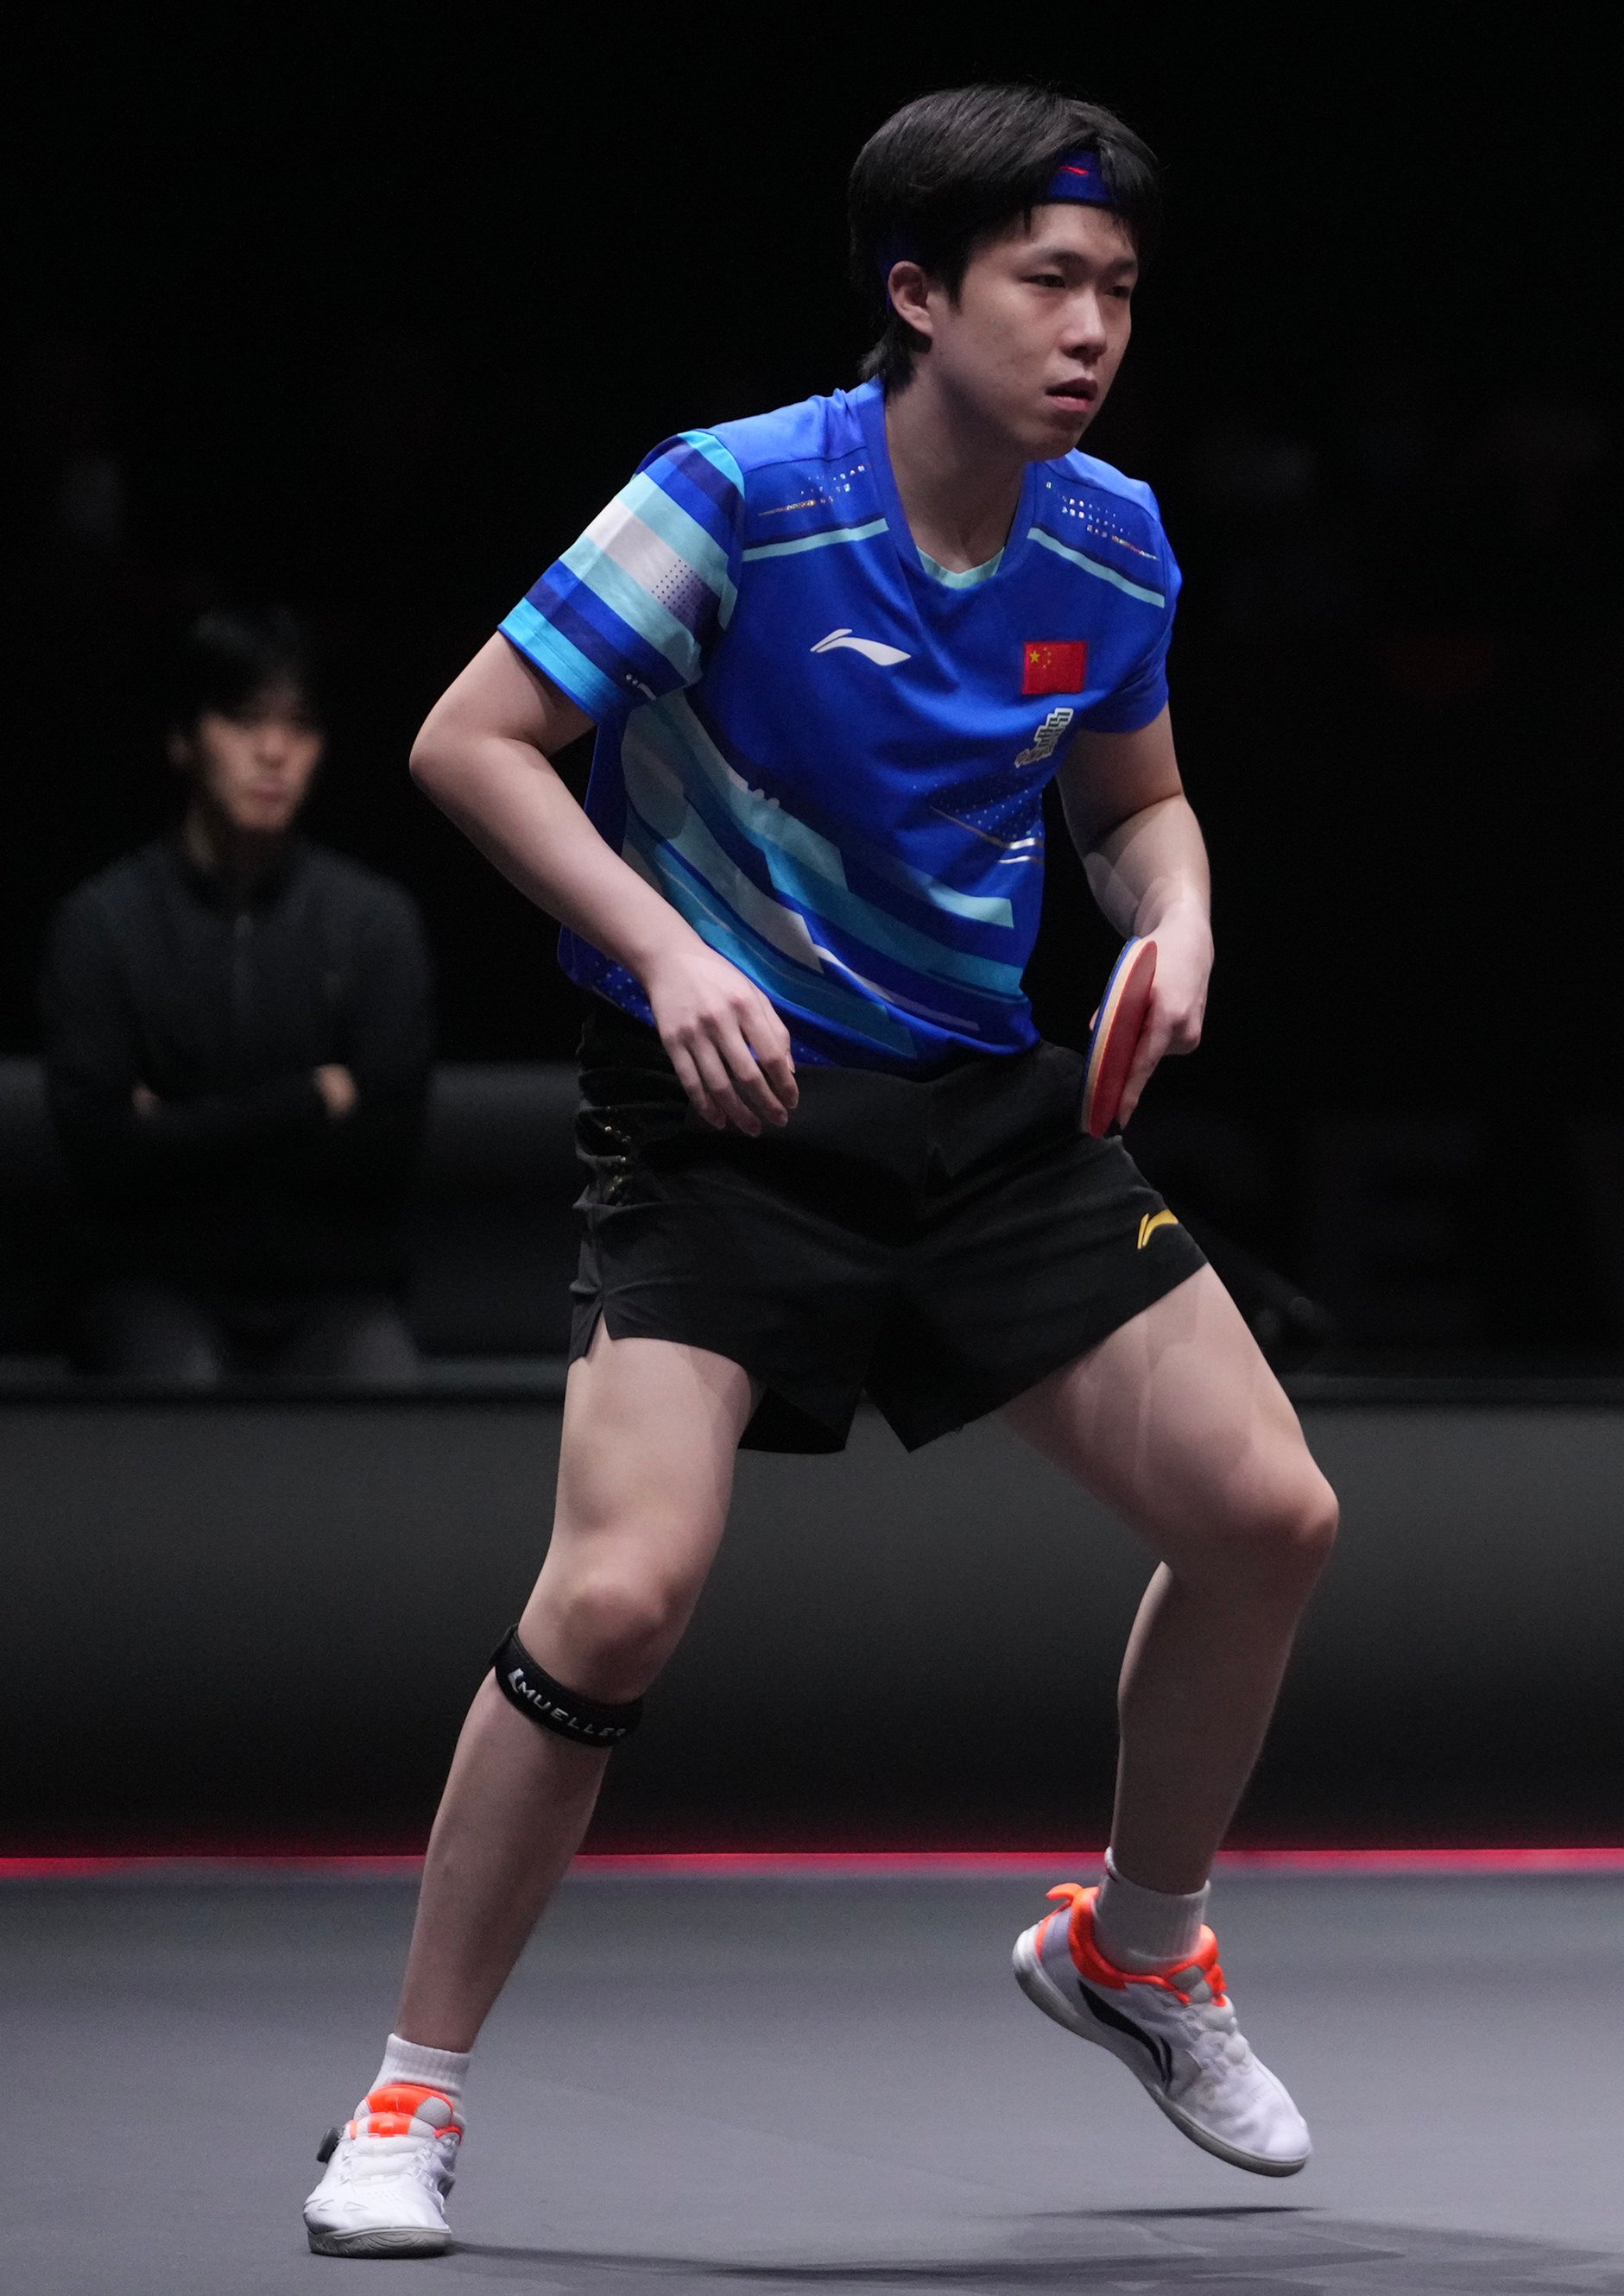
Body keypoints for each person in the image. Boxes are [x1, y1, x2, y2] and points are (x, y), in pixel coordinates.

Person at [300, 87, 1340, 2260]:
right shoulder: (736, 497)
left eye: (1118, 291)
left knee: (1271, 1515)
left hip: (984, 1111)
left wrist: (1179, 922)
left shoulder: (1110, 540)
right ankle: (409, 2090)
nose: (1092, 329)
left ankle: (1140, 1949)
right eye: (1047, 283)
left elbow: (1134, 805)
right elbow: (470, 737)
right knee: (618, 1595)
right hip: (726, 1115)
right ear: (918, 293)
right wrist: (671, 950)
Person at [40, 607, 433, 1383]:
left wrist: (174, 1125)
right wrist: (313, 1098)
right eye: (244, 719)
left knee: (383, 1382)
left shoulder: (373, 923)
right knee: (174, 1384)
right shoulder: (102, 924)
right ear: (184, 739)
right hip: (155, 1284)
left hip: (333, 1288)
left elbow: (387, 1148)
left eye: (300, 725)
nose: (274, 750)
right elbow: (103, 1154)